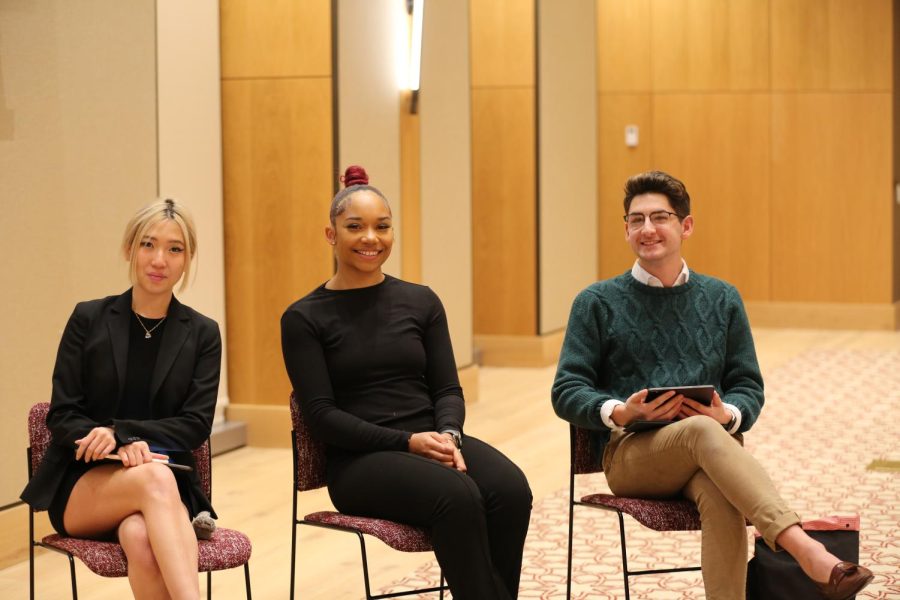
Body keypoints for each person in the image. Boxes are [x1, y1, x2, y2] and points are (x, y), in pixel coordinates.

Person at [551, 171, 873, 600]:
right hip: (632, 456)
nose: (647, 229)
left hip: (705, 458)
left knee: (722, 490)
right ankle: (805, 548)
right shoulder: (597, 302)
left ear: (686, 225)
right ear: (626, 229)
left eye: (659, 217)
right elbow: (567, 388)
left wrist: (729, 414)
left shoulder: (722, 298)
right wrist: (619, 412)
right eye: (635, 220)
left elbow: (747, 383)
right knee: (707, 434)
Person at [281, 165, 533, 600]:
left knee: (511, 489)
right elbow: (321, 417)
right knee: (457, 496)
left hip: (434, 438)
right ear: (331, 234)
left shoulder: (421, 300)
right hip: (361, 460)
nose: (370, 239)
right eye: (354, 227)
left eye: (382, 226)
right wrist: (407, 442)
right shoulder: (304, 317)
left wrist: (449, 435)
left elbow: (447, 389)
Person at [21, 199, 222, 600]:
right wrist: (113, 442)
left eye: (175, 249)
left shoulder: (202, 333)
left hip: (161, 486)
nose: (159, 259)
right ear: (129, 249)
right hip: (85, 485)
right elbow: (62, 414)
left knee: (139, 536)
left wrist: (123, 434)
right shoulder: (88, 319)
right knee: (155, 479)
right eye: (148, 244)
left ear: (188, 259)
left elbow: (195, 425)